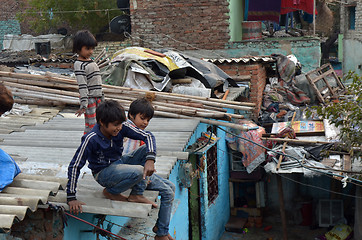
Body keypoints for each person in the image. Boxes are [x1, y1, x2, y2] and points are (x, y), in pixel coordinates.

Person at [66, 100, 175, 240]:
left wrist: (150, 160)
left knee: (169, 187)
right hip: (103, 173)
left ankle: (160, 229)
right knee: (137, 171)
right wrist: (71, 197)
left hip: (119, 164)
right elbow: (75, 166)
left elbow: (148, 136)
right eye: (115, 125)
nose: (119, 128)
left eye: (120, 124)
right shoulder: (91, 139)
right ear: (101, 122)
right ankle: (111, 191)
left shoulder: (122, 128)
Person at [72, 30, 104, 134]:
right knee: (92, 125)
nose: (90, 51)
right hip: (90, 99)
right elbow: (82, 85)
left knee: (102, 122)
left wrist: (102, 96)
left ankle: (100, 144)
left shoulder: (91, 61)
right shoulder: (79, 64)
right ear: (78, 48)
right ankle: (88, 144)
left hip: (99, 97)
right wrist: (84, 103)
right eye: (87, 48)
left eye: (92, 49)